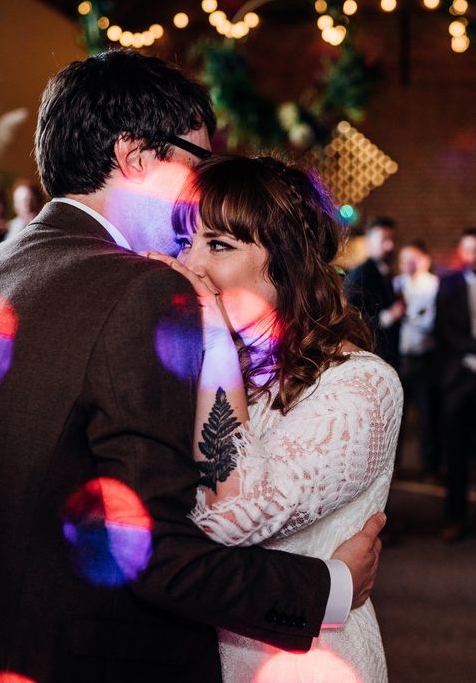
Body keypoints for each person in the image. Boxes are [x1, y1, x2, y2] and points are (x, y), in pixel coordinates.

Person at [0, 50, 384, 682]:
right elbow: (157, 558)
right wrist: (331, 588)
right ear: (137, 156)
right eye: (197, 161)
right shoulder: (145, 291)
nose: (201, 185)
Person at [146, 155, 401, 682]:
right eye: (185, 242)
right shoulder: (198, 369)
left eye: (219, 244)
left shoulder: (361, 385)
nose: (191, 263)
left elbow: (233, 516)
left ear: (287, 263)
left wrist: (214, 335)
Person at [435, 228, 476, 542]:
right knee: (455, 449)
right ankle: (454, 516)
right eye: (469, 251)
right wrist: (472, 351)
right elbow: (444, 330)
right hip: (457, 376)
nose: (474, 256)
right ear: (463, 253)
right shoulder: (447, 284)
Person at [394, 241, 440, 479]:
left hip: (424, 357)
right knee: (396, 417)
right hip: (401, 358)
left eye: (414, 258)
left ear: (425, 259)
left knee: (426, 415)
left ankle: (429, 467)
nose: (409, 264)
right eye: (405, 259)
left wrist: (407, 315)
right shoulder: (398, 283)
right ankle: (394, 466)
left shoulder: (433, 285)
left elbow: (429, 322)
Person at [344, 217, 404, 368]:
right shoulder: (361, 275)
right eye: (384, 240)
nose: (390, 246)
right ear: (370, 242)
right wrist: (390, 315)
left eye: (392, 240)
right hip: (371, 358)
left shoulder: (385, 271)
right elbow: (355, 320)